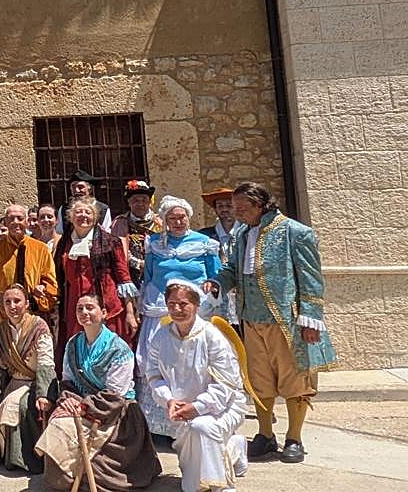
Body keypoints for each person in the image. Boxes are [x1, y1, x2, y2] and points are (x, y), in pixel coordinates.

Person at [210, 182, 336, 464]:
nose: (238, 214)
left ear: (261, 205)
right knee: (258, 380)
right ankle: (265, 435)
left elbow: (311, 278)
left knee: (295, 380)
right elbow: (232, 268)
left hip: (286, 320)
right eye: (236, 208)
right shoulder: (243, 234)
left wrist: (311, 319)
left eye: (243, 209)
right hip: (250, 319)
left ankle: (294, 438)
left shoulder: (295, 232)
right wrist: (218, 281)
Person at [35, 292, 161, 491]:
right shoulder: (73, 344)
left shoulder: (119, 349)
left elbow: (115, 396)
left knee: (75, 438)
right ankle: (64, 481)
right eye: (79, 308)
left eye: (89, 307)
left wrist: (83, 406)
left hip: (116, 413)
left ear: (103, 313)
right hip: (82, 405)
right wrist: (68, 400)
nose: (84, 312)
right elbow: (68, 381)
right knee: (57, 422)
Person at [145, 281, 249, 492]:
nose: (177, 309)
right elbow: (154, 375)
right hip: (181, 410)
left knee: (202, 426)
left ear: (196, 305)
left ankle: (222, 486)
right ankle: (233, 449)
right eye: (171, 304)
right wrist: (169, 400)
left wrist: (198, 407)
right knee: (190, 483)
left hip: (224, 406)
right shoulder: (160, 337)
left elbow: (226, 384)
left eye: (183, 304)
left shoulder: (212, 337)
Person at [136, 196, 221, 439]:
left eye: (181, 217)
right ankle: (161, 425)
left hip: (194, 310)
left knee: (190, 363)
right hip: (160, 307)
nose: (177, 222)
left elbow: (214, 277)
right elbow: (150, 275)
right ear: (164, 220)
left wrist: (210, 292)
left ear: (189, 217)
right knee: (160, 361)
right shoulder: (154, 243)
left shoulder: (204, 243)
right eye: (171, 218)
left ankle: (195, 413)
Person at [0, 284, 57, 474]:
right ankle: (3, 456)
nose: (12, 306)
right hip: (11, 383)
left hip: (34, 383)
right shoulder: (0, 330)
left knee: (17, 406)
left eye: (17, 301)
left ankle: (27, 461)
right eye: (8, 302)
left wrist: (43, 393)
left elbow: (46, 363)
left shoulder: (39, 326)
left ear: (27, 304)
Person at [53, 198, 138, 353]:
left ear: (95, 217)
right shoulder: (64, 243)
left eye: (88, 212)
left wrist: (130, 313)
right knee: (79, 350)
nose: (83, 215)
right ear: (71, 217)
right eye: (78, 212)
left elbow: (123, 278)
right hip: (75, 307)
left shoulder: (110, 241)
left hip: (107, 305)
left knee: (109, 350)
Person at [0, 204, 57, 333]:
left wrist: (36, 302)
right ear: (5, 222)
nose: (16, 222)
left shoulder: (41, 249)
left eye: (20, 218)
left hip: (32, 317)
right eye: (11, 219)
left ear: (26, 221)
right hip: (4, 320)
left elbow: (51, 286)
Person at [110, 180, 165, 292]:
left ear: (150, 202)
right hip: (132, 274)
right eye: (135, 200)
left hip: (159, 272)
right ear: (129, 203)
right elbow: (118, 250)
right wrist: (138, 263)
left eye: (144, 200)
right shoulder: (120, 222)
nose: (140, 204)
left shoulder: (161, 222)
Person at [199, 188, 241, 328]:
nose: (224, 209)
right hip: (216, 297)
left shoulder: (247, 234)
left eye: (228, 206)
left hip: (242, 296)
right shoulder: (204, 236)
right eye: (220, 206)